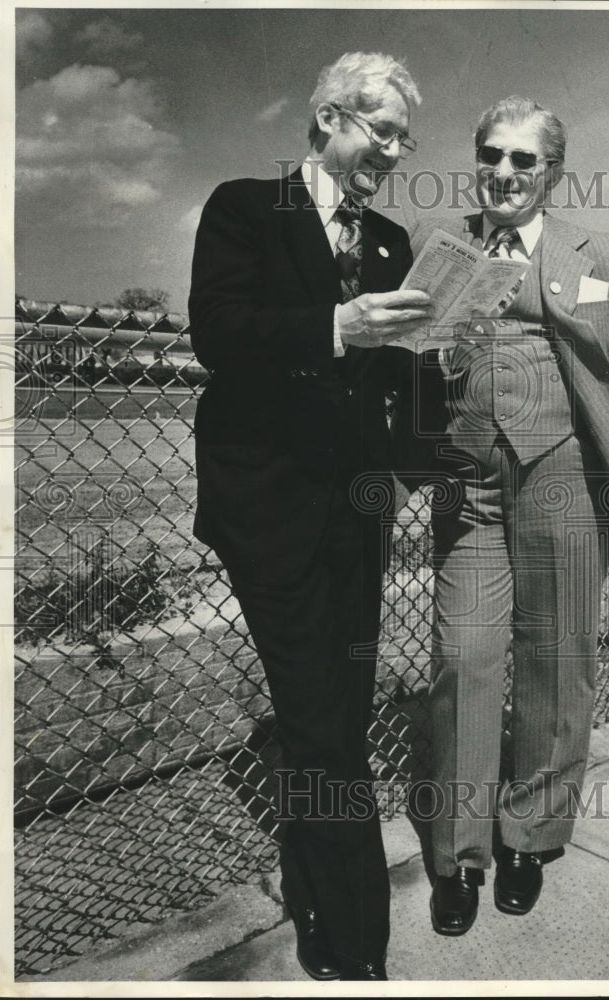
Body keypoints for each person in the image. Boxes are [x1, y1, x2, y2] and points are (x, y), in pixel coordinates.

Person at [188, 52, 431, 981]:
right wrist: (336, 328)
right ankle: (360, 946)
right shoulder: (245, 207)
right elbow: (220, 330)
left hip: (354, 512)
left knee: (330, 714)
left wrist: (435, 400)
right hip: (268, 507)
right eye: (382, 132)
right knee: (326, 723)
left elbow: (403, 383)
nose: (396, 153)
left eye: (406, 140)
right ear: (330, 116)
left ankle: (317, 900)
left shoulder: (393, 243)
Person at [411, 96, 609, 936]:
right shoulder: (442, 250)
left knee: (556, 666)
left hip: (564, 482)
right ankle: (458, 856)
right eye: (493, 154)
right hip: (469, 486)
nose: (506, 172)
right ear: (476, 159)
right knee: (465, 659)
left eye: (526, 160)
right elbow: (406, 367)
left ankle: (529, 835)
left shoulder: (596, 256)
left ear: (552, 172)